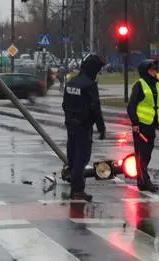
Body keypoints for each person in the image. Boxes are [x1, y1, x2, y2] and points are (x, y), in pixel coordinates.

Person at [62, 53, 106, 201]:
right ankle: (77, 189)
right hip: (84, 127)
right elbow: (95, 108)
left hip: (71, 125)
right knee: (82, 158)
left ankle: (75, 188)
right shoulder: (90, 85)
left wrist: (69, 119)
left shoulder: (72, 82)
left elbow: (65, 104)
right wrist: (101, 127)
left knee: (73, 157)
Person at [127, 59, 159, 193]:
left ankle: (141, 181)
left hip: (152, 124)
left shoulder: (156, 84)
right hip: (141, 125)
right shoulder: (140, 85)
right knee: (142, 154)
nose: (154, 72)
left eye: (155, 70)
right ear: (145, 71)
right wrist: (135, 123)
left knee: (147, 154)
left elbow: (156, 104)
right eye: (151, 70)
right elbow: (131, 105)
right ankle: (145, 181)